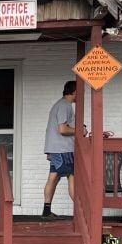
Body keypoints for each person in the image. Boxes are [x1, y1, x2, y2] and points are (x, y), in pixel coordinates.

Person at [42, 80, 76, 220]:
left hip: (55, 148)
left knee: (53, 177)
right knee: (73, 177)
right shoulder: (65, 105)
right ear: (74, 92)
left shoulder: (59, 104)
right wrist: (79, 131)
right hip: (63, 149)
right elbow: (62, 129)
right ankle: (82, 212)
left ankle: (46, 211)